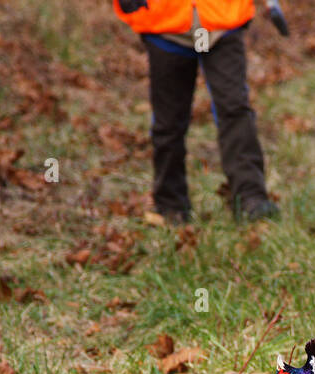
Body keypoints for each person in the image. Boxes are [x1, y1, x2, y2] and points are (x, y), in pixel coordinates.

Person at [113, 0, 280, 223]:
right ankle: (170, 205)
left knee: (234, 108)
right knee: (168, 122)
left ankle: (251, 200)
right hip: (165, 25)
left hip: (223, 19)